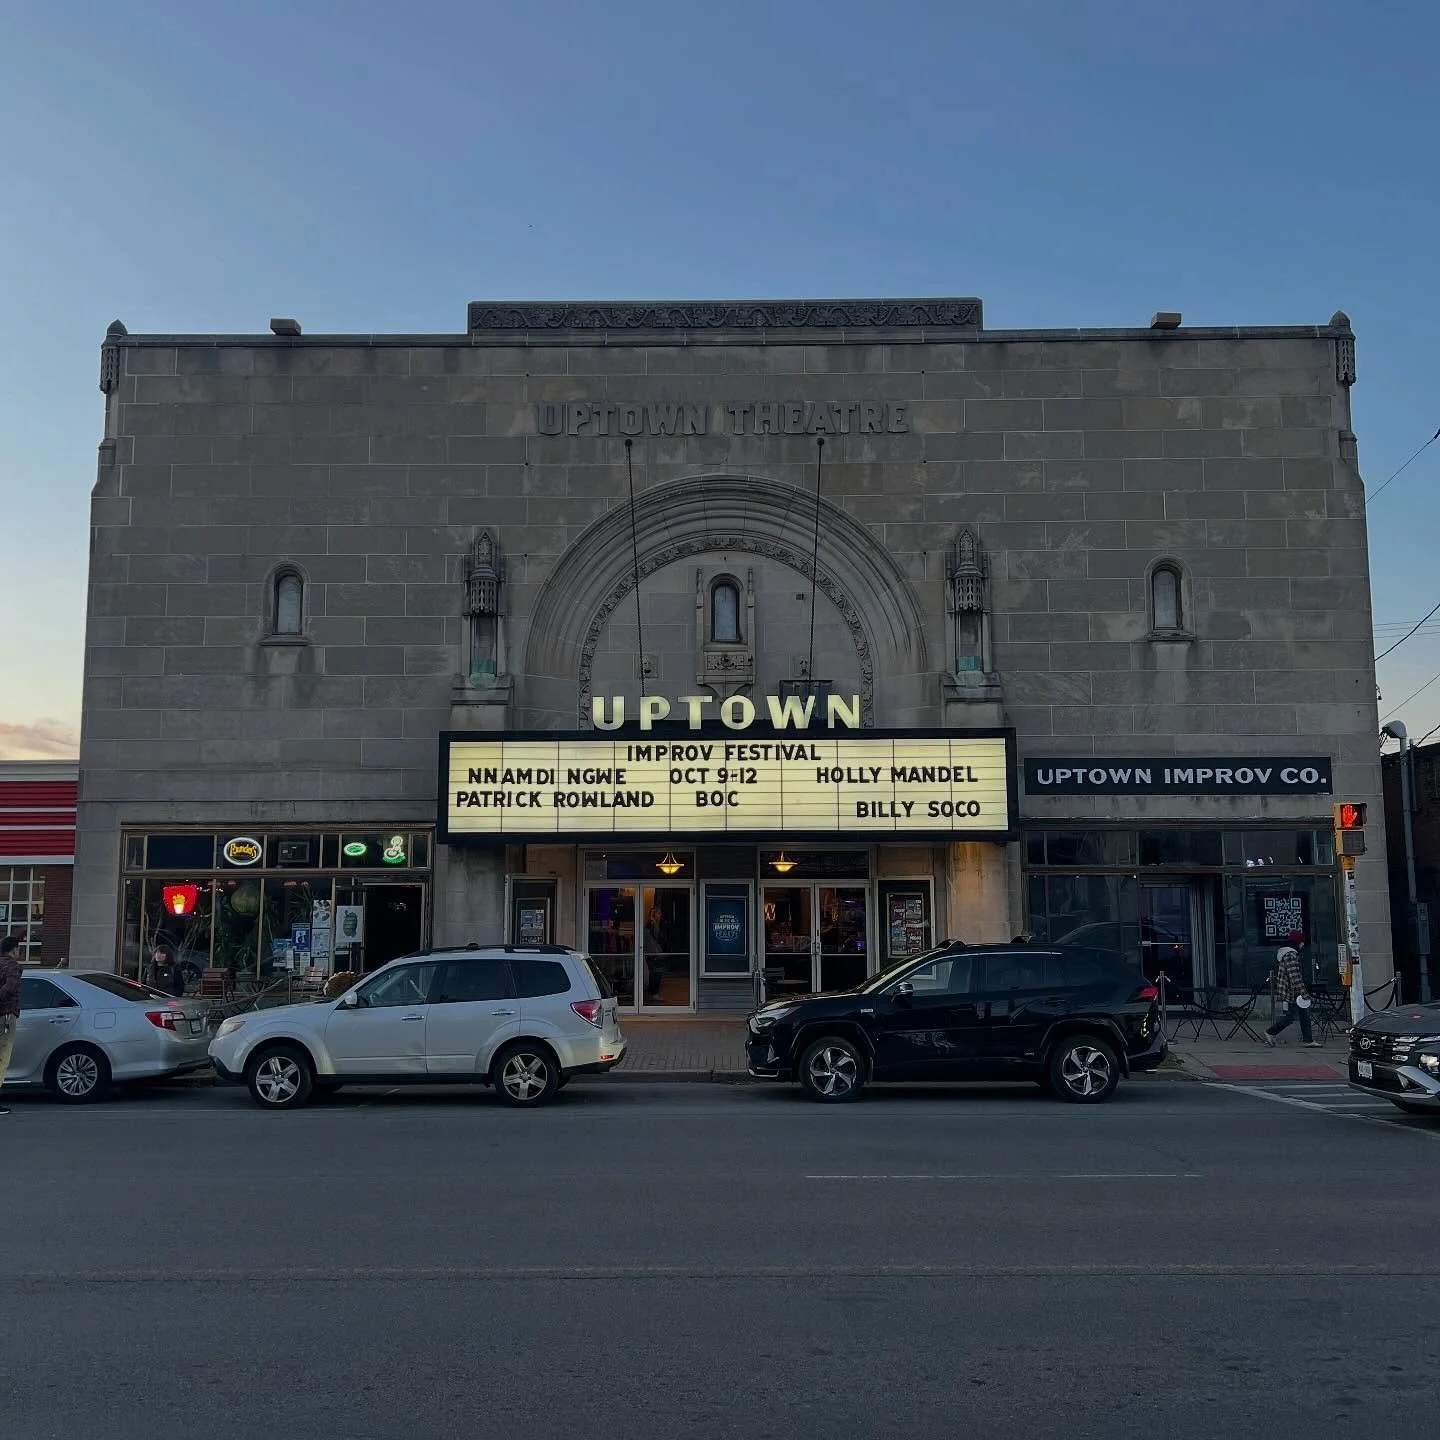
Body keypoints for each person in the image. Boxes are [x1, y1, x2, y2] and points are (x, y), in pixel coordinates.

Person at [1264, 944, 1320, 1047]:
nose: (1303, 944)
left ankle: (1308, 1040)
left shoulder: (1288, 955)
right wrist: (1304, 993)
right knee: (1291, 1016)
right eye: (1301, 942)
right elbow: (1295, 977)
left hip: (1292, 991)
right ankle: (1271, 1032)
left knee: (1304, 1015)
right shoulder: (1291, 956)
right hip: (1293, 992)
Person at [0, 935, 21, 1114]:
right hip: (6, 1016)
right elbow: (11, 987)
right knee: (2, 1059)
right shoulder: (12, 965)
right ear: (14, 949)